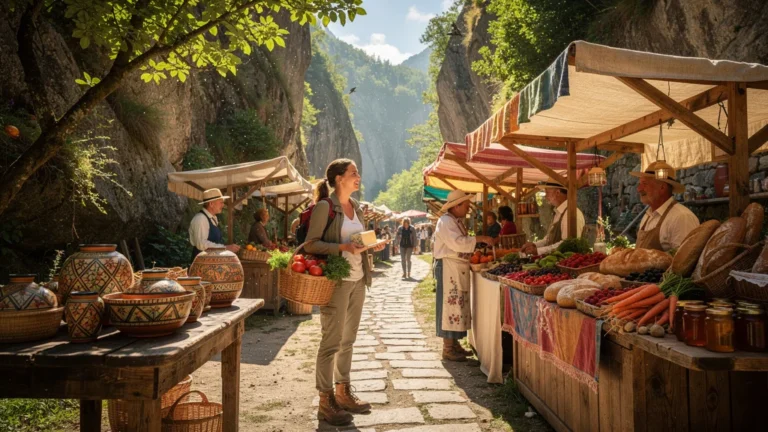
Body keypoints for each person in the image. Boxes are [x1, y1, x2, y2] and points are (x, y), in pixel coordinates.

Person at [305, 159, 385, 426]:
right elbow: (312, 244)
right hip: (337, 281)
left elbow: (357, 241)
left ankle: (343, 392)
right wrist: (343, 248)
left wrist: (372, 245)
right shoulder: (324, 207)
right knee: (331, 341)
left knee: (348, 339)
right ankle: (325, 401)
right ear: (339, 179)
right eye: (353, 173)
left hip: (358, 279)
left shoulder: (358, 208)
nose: (358, 176)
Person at [433, 190, 494, 361]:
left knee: (457, 306)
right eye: (466, 205)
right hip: (448, 267)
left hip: (455, 267)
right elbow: (457, 243)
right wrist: (480, 238)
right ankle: (447, 348)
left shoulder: (455, 221)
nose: (468, 208)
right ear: (456, 206)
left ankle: (455, 345)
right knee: (449, 306)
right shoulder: (445, 221)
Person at [630, 161, 700, 251]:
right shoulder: (648, 215)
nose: (639, 189)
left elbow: (685, 260)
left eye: (645, 184)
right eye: (640, 184)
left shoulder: (682, 217)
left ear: (662, 188)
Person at [520, 179, 585, 256]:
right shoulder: (559, 212)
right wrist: (534, 245)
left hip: (566, 263)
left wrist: (538, 251)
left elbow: (566, 244)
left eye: (547, 192)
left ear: (557, 192)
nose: (546, 196)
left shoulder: (571, 214)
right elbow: (548, 239)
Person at [188, 188, 240, 260]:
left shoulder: (213, 218)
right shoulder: (201, 219)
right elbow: (201, 244)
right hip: (201, 263)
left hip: (211, 262)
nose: (223, 205)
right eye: (221, 202)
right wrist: (225, 248)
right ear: (211, 204)